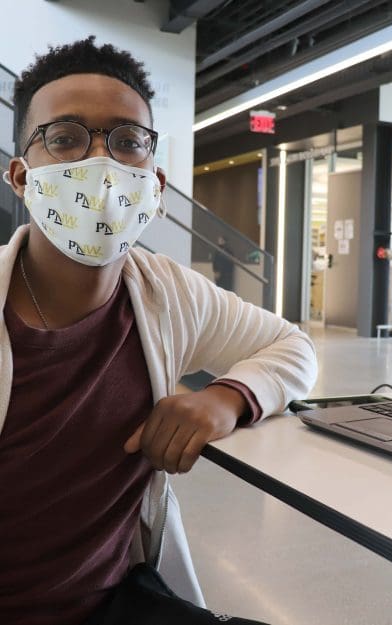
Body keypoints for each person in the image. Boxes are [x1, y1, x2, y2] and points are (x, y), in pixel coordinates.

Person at [0, 37, 317, 625]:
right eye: (65, 138)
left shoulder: (167, 291)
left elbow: (293, 346)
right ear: (21, 176)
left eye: (127, 142)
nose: (100, 162)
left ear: (156, 182)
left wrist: (226, 398)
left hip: (115, 604)